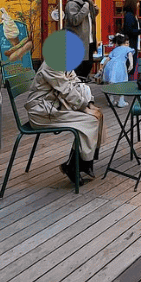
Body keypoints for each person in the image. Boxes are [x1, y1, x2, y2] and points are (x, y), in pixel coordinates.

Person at [24, 50, 105, 184]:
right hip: (41, 113)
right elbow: (66, 89)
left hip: (54, 107)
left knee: (98, 115)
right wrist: (84, 108)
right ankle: (76, 165)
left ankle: (83, 163)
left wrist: (90, 104)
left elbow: (76, 83)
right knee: (90, 120)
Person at [64, 0, 99, 78]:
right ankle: (76, 90)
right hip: (78, 41)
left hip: (89, 40)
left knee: (88, 66)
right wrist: (85, 8)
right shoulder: (72, 4)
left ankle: (82, 89)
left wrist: (94, 8)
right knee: (78, 70)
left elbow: (90, 18)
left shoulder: (87, 2)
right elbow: (75, 20)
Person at [101, 33, 134, 108]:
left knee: (110, 83)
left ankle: (111, 100)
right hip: (120, 66)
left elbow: (107, 59)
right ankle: (121, 101)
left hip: (110, 65)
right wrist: (131, 65)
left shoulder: (114, 50)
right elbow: (130, 56)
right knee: (122, 83)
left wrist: (102, 68)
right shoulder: (127, 48)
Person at [122, 0, 141, 79]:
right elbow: (129, 31)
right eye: (137, 2)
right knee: (130, 66)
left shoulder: (132, 15)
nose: (138, 4)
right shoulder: (129, 16)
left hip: (133, 44)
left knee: (132, 66)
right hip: (131, 44)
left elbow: (138, 24)